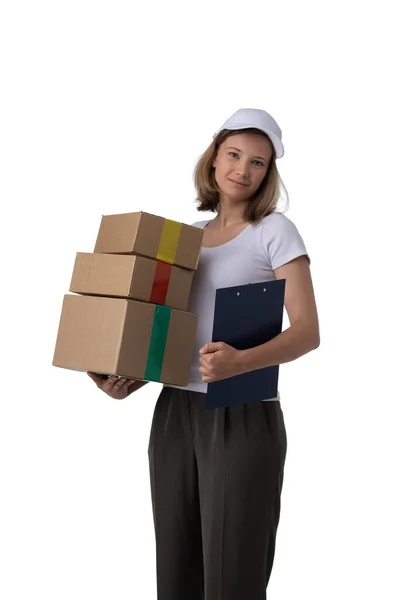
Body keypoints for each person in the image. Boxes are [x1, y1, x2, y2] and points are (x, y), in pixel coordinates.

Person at [88, 108, 320, 600]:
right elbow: (173, 335)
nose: (243, 169)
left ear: (268, 173)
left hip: (241, 412)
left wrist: (240, 361)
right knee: (176, 567)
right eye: (234, 155)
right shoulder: (183, 239)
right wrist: (127, 375)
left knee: (232, 570)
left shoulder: (274, 231)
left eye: (258, 163)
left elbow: (307, 332)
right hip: (175, 410)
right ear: (214, 158)